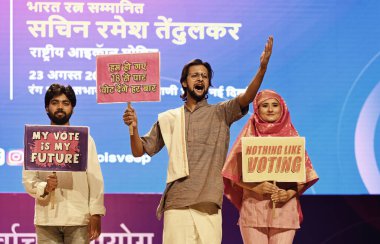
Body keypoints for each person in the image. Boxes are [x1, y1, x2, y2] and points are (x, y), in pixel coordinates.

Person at [123, 36, 273, 244]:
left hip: (208, 206)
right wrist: (133, 128)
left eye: (204, 76)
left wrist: (262, 69)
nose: (200, 79)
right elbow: (139, 151)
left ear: (209, 83)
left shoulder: (222, 113)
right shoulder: (169, 118)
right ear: (185, 82)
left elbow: (246, 97)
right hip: (177, 204)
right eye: (195, 76)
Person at [222, 89, 319, 244]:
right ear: (257, 109)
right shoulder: (248, 135)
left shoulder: (292, 137)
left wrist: (288, 194)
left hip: (285, 209)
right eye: (264, 105)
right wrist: (256, 187)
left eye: (275, 105)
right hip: (254, 208)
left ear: (282, 108)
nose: (270, 109)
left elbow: (304, 177)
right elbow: (232, 175)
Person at [22, 84, 106, 243]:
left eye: (65, 103)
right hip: (46, 220)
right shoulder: (35, 139)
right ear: (47, 108)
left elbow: (95, 180)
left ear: (72, 108)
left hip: (78, 218)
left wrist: (96, 213)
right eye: (55, 103)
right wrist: (44, 187)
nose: (60, 107)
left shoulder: (84, 139)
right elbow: (28, 180)